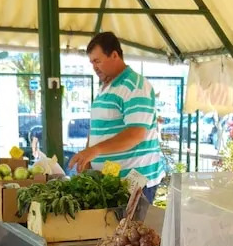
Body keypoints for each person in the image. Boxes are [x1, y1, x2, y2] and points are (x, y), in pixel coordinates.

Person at [68, 32, 165, 202]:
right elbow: (97, 128)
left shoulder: (135, 86)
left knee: (131, 222)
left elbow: (135, 134)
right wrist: (88, 156)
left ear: (114, 55)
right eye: (92, 62)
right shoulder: (106, 86)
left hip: (134, 184)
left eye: (97, 61)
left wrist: (95, 150)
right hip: (111, 183)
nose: (94, 67)